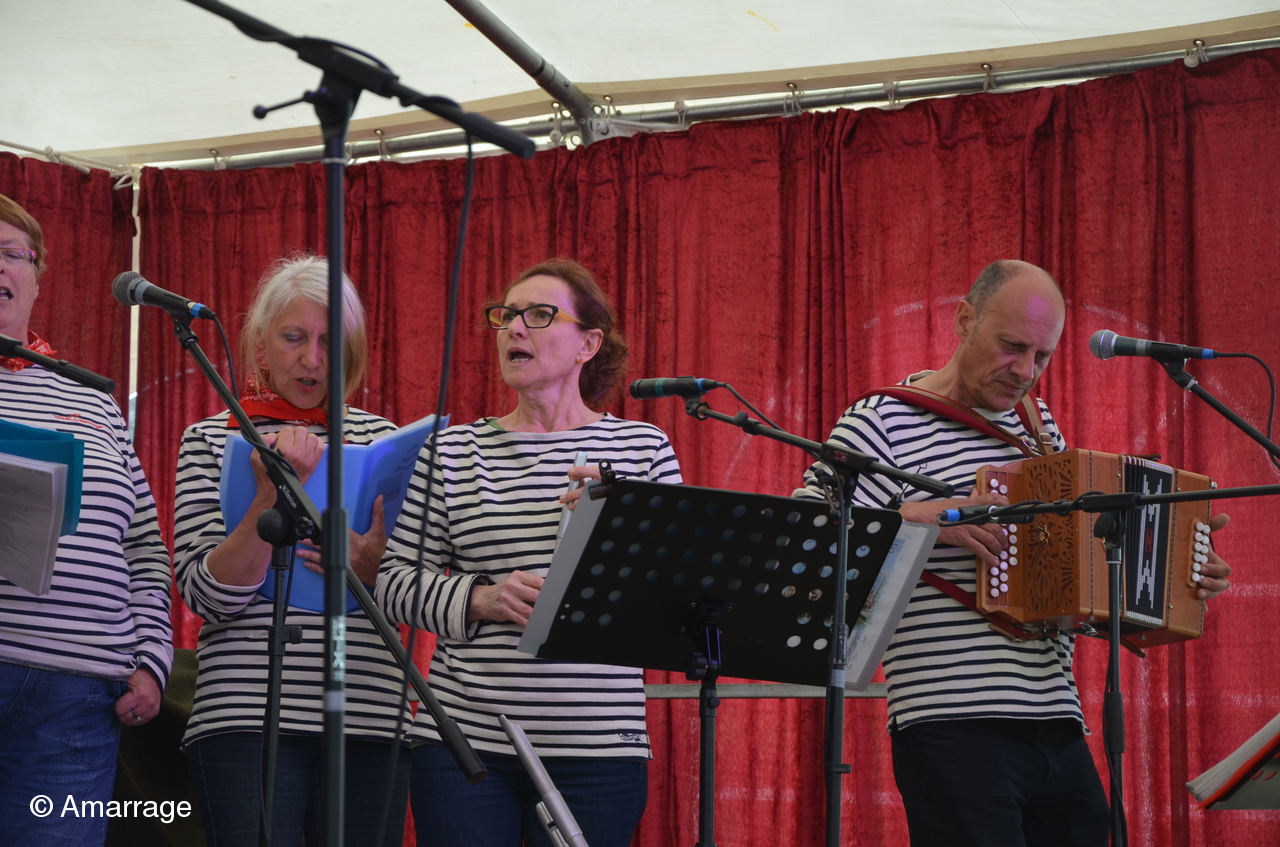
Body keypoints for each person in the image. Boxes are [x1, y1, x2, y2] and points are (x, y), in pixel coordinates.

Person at [798, 260, 1234, 847]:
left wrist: (1180, 569)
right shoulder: (881, 421)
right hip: (950, 720)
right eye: (1011, 347)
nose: (1026, 372)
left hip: (1056, 716)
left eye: (1041, 356)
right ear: (964, 320)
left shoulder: (1037, 425)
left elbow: (1072, 566)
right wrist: (916, 517)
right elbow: (807, 538)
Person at [376, 258, 682, 847]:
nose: (514, 328)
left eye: (539, 315)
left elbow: (674, 597)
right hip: (465, 746)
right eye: (506, 315)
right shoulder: (453, 451)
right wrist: (481, 599)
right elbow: (393, 583)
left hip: (598, 751)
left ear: (588, 343)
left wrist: (618, 523)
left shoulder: (641, 447)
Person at [172, 255, 412, 847]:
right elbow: (206, 597)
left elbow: (415, 591)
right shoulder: (212, 438)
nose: (312, 359)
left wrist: (370, 562)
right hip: (245, 714)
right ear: (260, 347)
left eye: (330, 342)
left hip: (366, 710)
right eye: (294, 338)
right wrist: (268, 497)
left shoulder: (385, 441)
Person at [0, 193, 173, 846]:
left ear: (37, 278)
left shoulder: (93, 399)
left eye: (13, 254)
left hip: (78, 700)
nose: (0, 267)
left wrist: (151, 658)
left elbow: (145, 546)